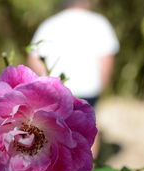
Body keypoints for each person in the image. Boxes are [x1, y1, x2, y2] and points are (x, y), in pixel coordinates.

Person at [27, 0, 119, 158]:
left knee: (54, 131)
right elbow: (107, 58)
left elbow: (33, 56)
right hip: (89, 87)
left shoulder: (50, 24)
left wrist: (47, 80)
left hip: (57, 90)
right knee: (89, 130)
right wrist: (102, 85)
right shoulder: (99, 23)